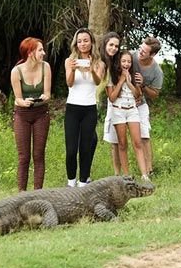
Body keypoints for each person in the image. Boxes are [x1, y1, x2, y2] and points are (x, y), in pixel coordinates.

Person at [64, 28, 105, 187]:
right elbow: (69, 83)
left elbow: (97, 82)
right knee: (71, 149)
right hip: (73, 108)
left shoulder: (99, 63)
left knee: (86, 148)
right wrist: (73, 70)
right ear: (76, 43)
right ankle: (71, 182)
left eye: (85, 40)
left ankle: (83, 183)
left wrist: (92, 70)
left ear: (91, 42)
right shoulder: (69, 61)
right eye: (79, 41)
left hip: (89, 109)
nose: (82, 44)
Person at [10, 37, 52, 191]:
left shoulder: (45, 67)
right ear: (30, 52)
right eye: (40, 50)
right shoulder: (16, 71)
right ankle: (22, 194)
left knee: (39, 155)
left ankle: (37, 193)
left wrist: (44, 97)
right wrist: (24, 102)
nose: (43, 53)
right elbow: (18, 98)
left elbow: (48, 94)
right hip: (22, 114)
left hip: (41, 113)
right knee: (24, 157)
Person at [107, 50, 150, 181]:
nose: (126, 64)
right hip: (118, 110)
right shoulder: (112, 76)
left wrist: (129, 82)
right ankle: (126, 175)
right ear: (119, 62)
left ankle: (144, 175)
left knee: (137, 142)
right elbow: (112, 98)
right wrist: (121, 81)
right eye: (124, 61)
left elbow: (138, 95)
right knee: (122, 144)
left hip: (132, 110)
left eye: (129, 61)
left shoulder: (134, 75)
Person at [132, 37, 164, 176]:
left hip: (141, 103)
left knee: (144, 135)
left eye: (144, 52)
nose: (140, 52)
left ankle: (149, 170)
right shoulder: (130, 57)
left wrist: (143, 85)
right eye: (140, 48)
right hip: (123, 101)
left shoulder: (157, 71)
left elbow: (155, 94)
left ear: (152, 54)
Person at [99, 31, 123, 175]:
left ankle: (117, 174)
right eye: (111, 45)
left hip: (110, 102)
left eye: (116, 46)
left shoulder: (114, 63)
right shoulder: (99, 61)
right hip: (88, 100)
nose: (113, 48)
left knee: (117, 141)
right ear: (105, 44)